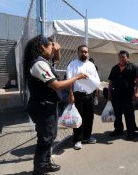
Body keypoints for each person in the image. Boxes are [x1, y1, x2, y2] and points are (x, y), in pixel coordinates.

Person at [24, 35, 87, 175]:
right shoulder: (38, 64)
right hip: (43, 106)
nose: (53, 48)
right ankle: (39, 170)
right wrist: (77, 77)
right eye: (51, 46)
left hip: (47, 105)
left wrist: (56, 51)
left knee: (50, 136)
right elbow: (57, 85)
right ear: (42, 47)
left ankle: (45, 164)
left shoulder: (42, 61)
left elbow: (55, 60)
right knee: (45, 139)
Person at [67, 45, 100, 150]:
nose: (84, 53)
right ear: (78, 52)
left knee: (90, 117)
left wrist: (96, 93)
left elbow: (96, 80)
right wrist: (71, 94)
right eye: (82, 51)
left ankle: (87, 137)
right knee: (78, 117)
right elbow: (69, 81)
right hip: (78, 95)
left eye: (86, 52)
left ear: (88, 53)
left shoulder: (91, 65)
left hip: (89, 95)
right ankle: (77, 140)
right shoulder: (72, 65)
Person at [108, 50, 138, 140]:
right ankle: (118, 130)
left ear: (128, 58)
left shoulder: (133, 67)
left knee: (129, 115)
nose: (121, 59)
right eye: (120, 57)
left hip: (128, 95)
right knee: (117, 115)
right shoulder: (115, 68)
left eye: (123, 57)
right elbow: (110, 82)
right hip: (116, 95)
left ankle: (131, 132)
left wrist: (137, 92)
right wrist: (109, 93)